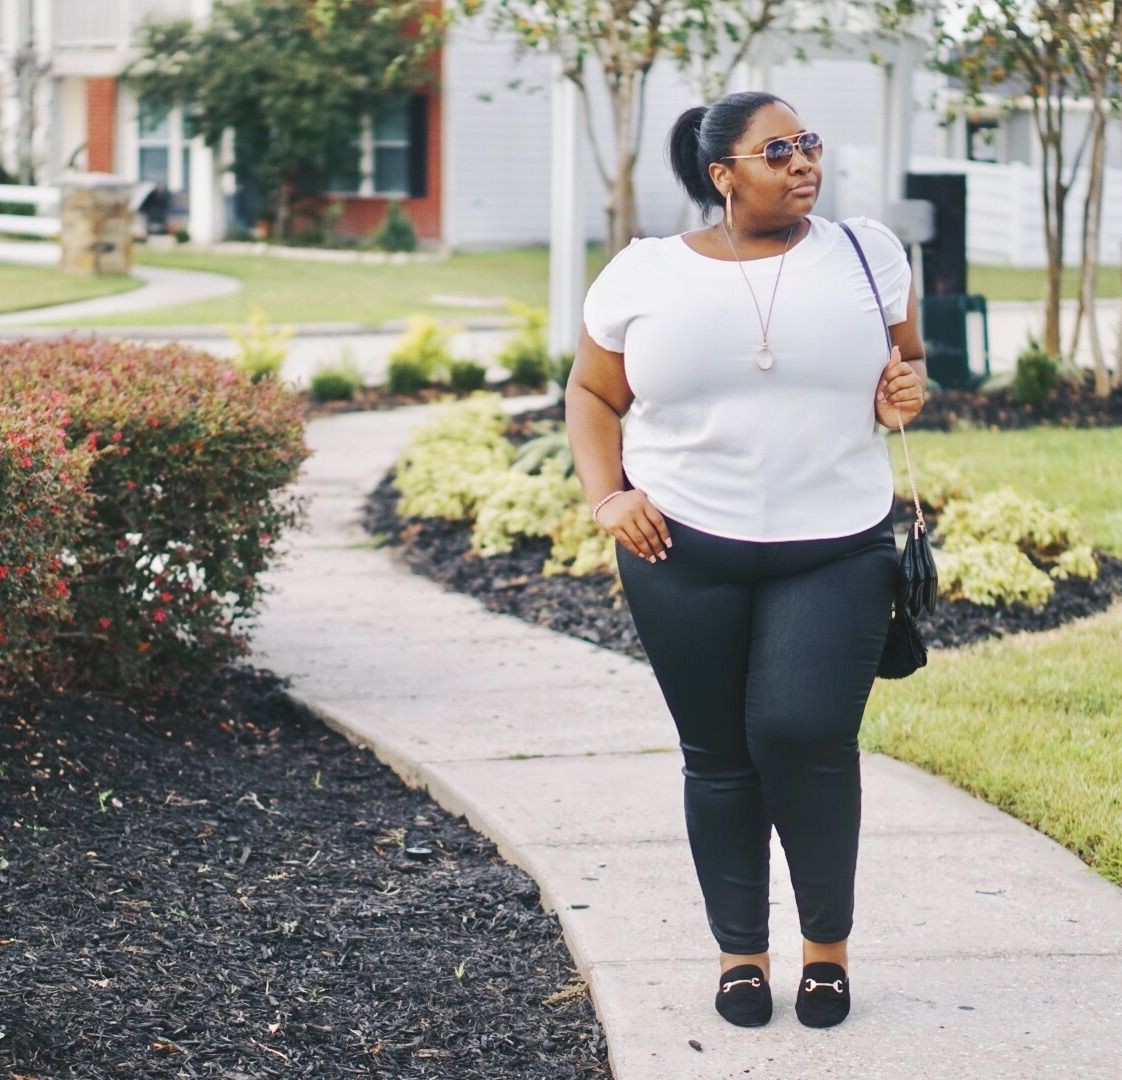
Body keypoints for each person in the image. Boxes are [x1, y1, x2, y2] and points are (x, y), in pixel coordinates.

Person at [565, 91, 927, 1029]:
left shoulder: (867, 253)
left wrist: (905, 391)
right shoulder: (643, 274)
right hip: (681, 549)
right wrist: (610, 495)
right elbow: (592, 394)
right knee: (719, 757)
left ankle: (827, 954)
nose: (805, 161)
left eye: (809, 142)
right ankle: (740, 956)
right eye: (779, 151)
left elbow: (904, 375)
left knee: (805, 735)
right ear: (722, 174)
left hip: (836, 548)